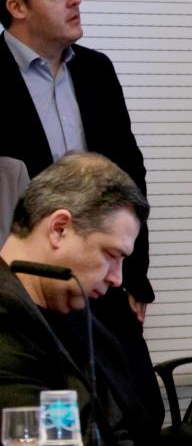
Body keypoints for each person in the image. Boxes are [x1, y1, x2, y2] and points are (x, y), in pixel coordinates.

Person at [0, 0, 161, 425]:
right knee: (46, 416)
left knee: (138, 411)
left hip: (98, 276)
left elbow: (130, 175)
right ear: (17, 7)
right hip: (24, 283)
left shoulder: (96, 71)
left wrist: (133, 275)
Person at [0, 152, 158, 445]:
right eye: (111, 256)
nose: (117, 279)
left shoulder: (82, 317)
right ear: (59, 229)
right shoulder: (7, 321)